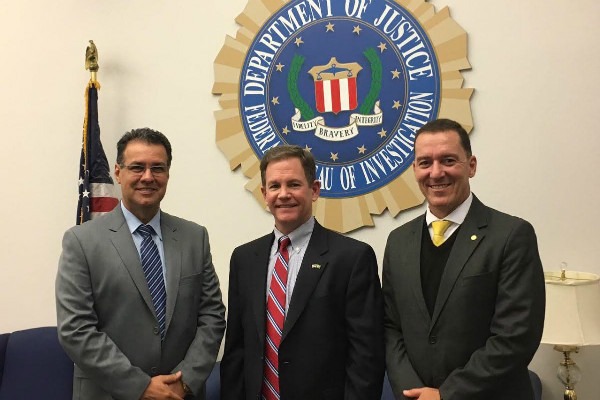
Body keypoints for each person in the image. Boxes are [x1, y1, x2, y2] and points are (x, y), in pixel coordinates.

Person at [56, 128, 226, 400]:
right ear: (118, 172)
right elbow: (76, 329)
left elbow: (212, 316)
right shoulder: (81, 242)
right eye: (137, 167)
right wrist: (141, 387)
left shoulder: (195, 237)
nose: (148, 177)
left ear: (168, 174)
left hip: (180, 394)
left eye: (157, 168)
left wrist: (184, 381)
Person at [382, 119, 545, 400]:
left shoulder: (511, 236)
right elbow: (390, 327)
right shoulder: (398, 241)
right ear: (414, 170)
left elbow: (516, 337)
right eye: (425, 163)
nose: (436, 173)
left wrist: (446, 395)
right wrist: (413, 391)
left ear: (471, 165)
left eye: (448, 160)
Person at [220, 145, 385, 400]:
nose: (283, 194)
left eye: (294, 184)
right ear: (264, 194)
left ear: (314, 190)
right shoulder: (244, 259)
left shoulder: (352, 258)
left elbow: (366, 356)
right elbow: (236, 349)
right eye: (275, 186)